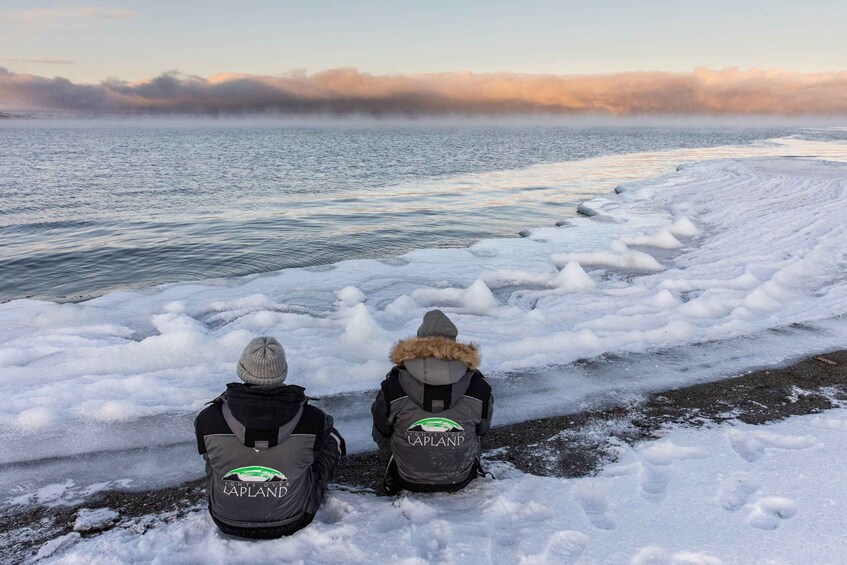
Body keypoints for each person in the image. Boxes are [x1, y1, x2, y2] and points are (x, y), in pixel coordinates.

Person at [195, 336, 345, 538]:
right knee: (330, 439)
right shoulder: (313, 418)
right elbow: (333, 445)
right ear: (282, 372)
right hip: (292, 519)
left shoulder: (208, 418)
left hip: (225, 519)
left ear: (242, 369)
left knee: (215, 451)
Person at [371, 309, 494, 494]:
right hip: (459, 478)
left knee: (385, 416)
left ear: (418, 341)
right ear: (453, 343)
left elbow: (381, 429)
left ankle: (405, 461)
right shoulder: (479, 386)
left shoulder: (393, 384)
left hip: (406, 478)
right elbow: (482, 429)